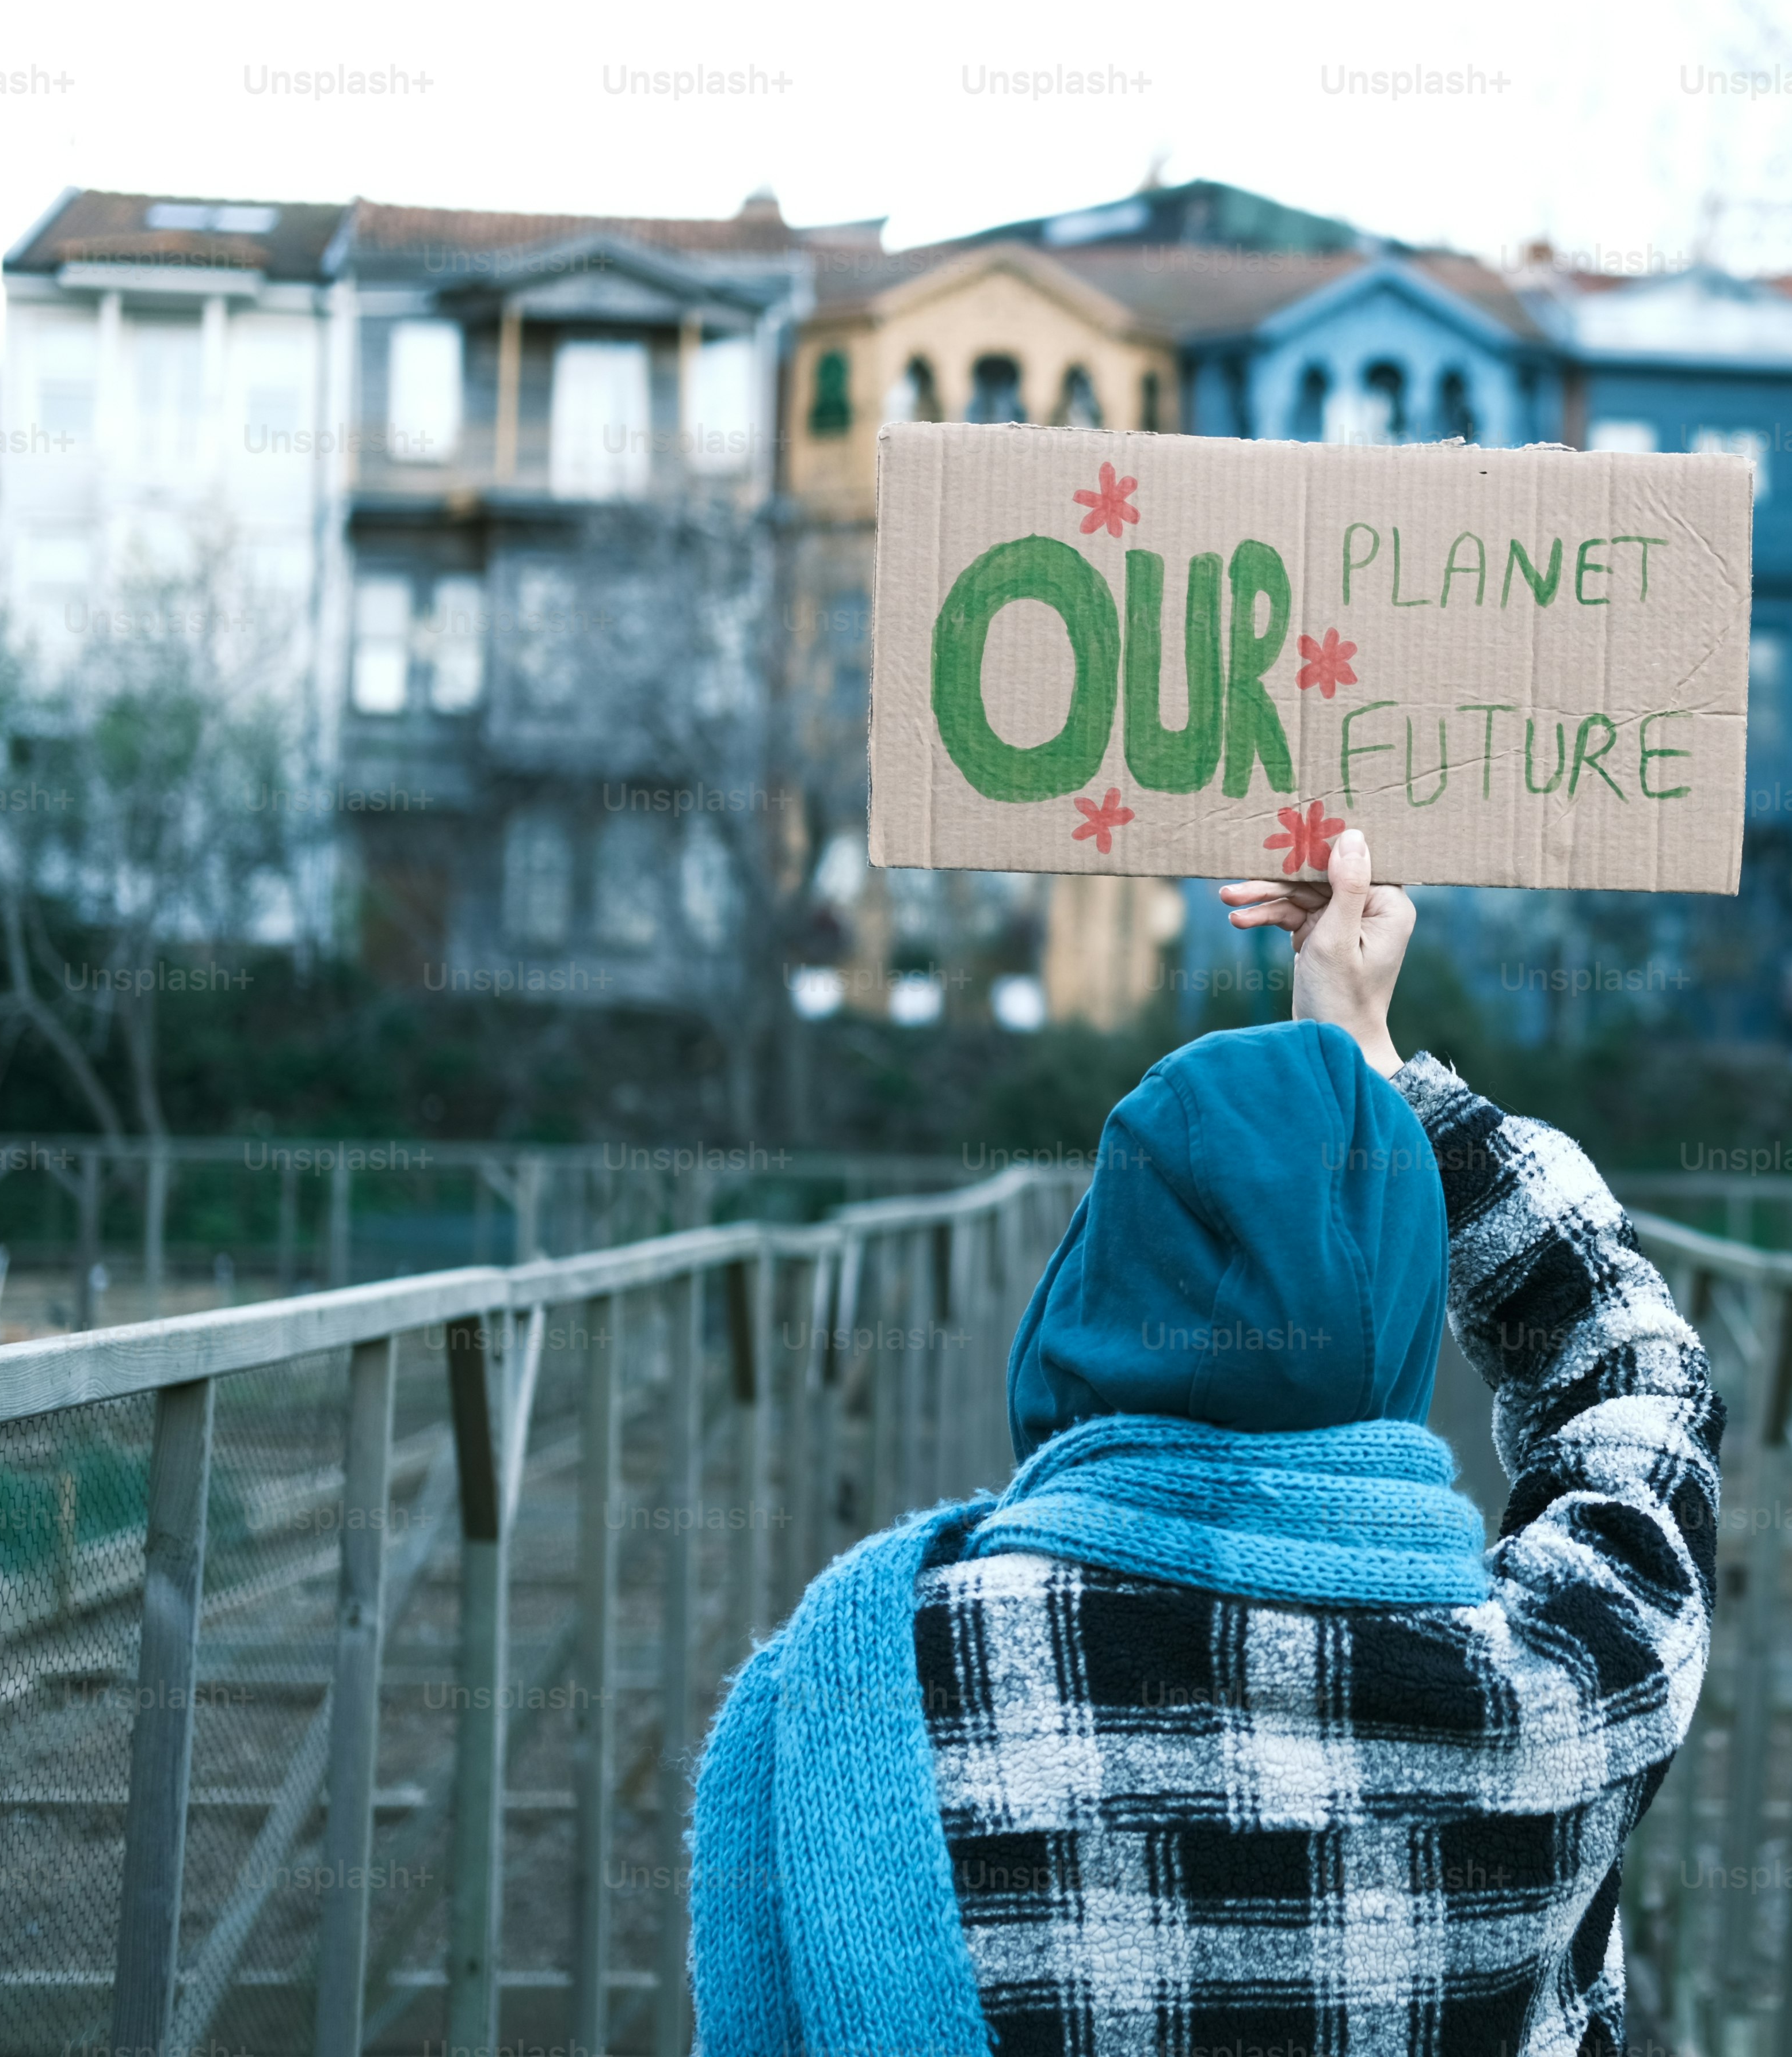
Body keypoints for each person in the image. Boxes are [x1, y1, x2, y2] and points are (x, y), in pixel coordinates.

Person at [691, 828, 1724, 2057]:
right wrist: (1380, 1072)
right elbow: (1633, 1364)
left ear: (1085, 1287)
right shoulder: (1565, 1687)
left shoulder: (871, 1678)